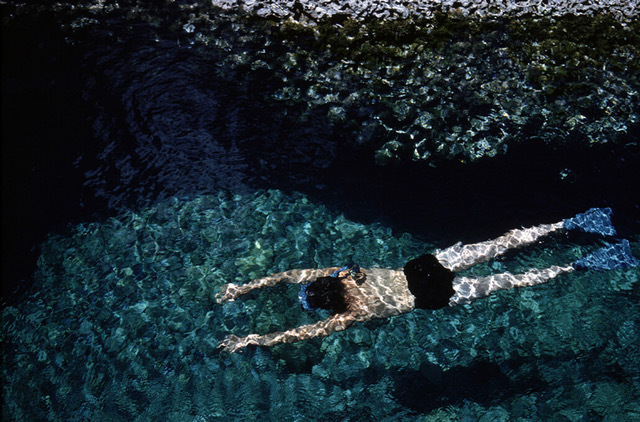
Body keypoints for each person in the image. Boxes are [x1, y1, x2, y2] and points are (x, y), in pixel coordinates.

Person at [216, 208, 638, 353]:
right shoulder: (343, 273)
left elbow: (302, 334)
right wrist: (246, 287)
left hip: (434, 296)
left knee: (517, 280)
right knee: (500, 244)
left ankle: (579, 266)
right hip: (421, 268)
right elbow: (290, 276)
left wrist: (255, 339)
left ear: (329, 303)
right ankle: (572, 222)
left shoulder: (351, 315)